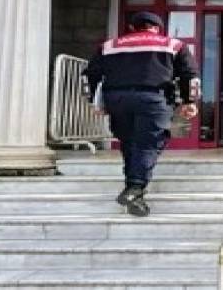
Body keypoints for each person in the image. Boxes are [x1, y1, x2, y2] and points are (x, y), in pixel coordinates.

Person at [83, 11, 199, 217]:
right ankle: (135, 188)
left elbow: (89, 75)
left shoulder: (109, 46)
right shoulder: (173, 45)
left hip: (117, 99)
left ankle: (134, 193)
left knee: (129, 143)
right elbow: (190, 75)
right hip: (152, 98)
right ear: (158, 28)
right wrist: (190, 101)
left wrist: (94, 101)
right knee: (149, 143)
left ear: (132, 27)